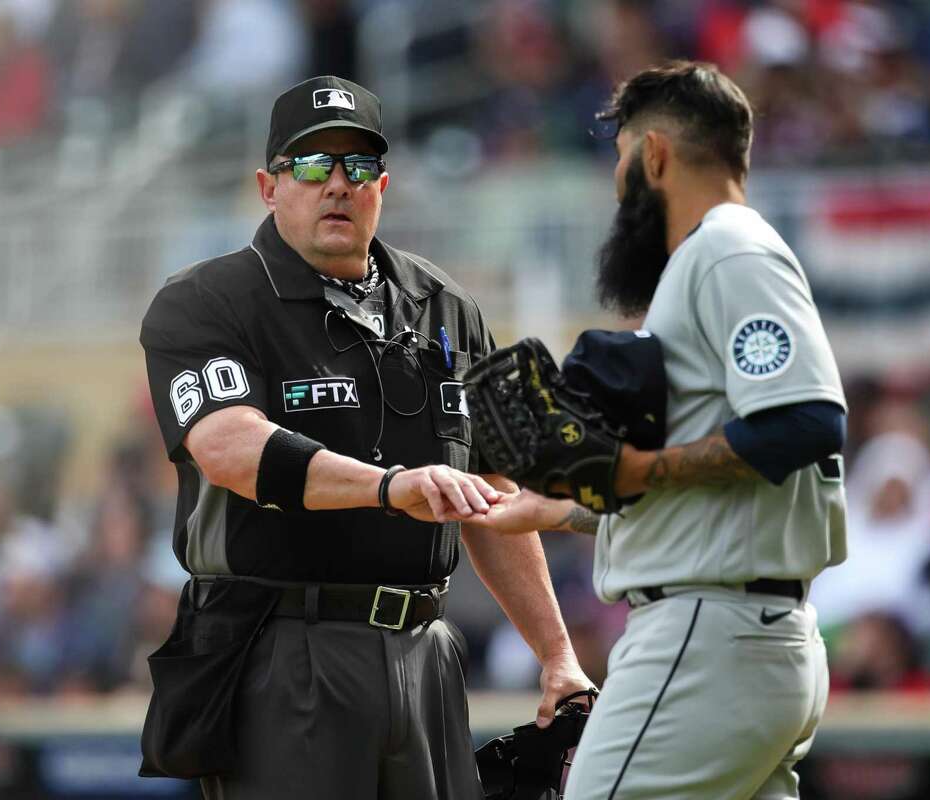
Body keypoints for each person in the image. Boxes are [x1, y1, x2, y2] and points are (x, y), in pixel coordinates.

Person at [138, 75, 592, 799]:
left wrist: (557, 653)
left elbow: (499, 493)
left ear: (383, 184)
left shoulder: (449, 307)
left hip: (426, 651)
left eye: (357, 166)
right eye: (313, 165)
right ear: (268, 185)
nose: (338, 184)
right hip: (286, 651)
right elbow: (228, 448)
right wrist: (387, 489)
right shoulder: (206, 300)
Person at [477, 61, 848, 799]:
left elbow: (809, 421)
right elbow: (716, 468)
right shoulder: (708, 260)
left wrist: (637, 472)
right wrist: (564, 509)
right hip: (745, 633)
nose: (619, 185)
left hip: (709, 635)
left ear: (654, 156)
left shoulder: (727, 247)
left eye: (621, 159)